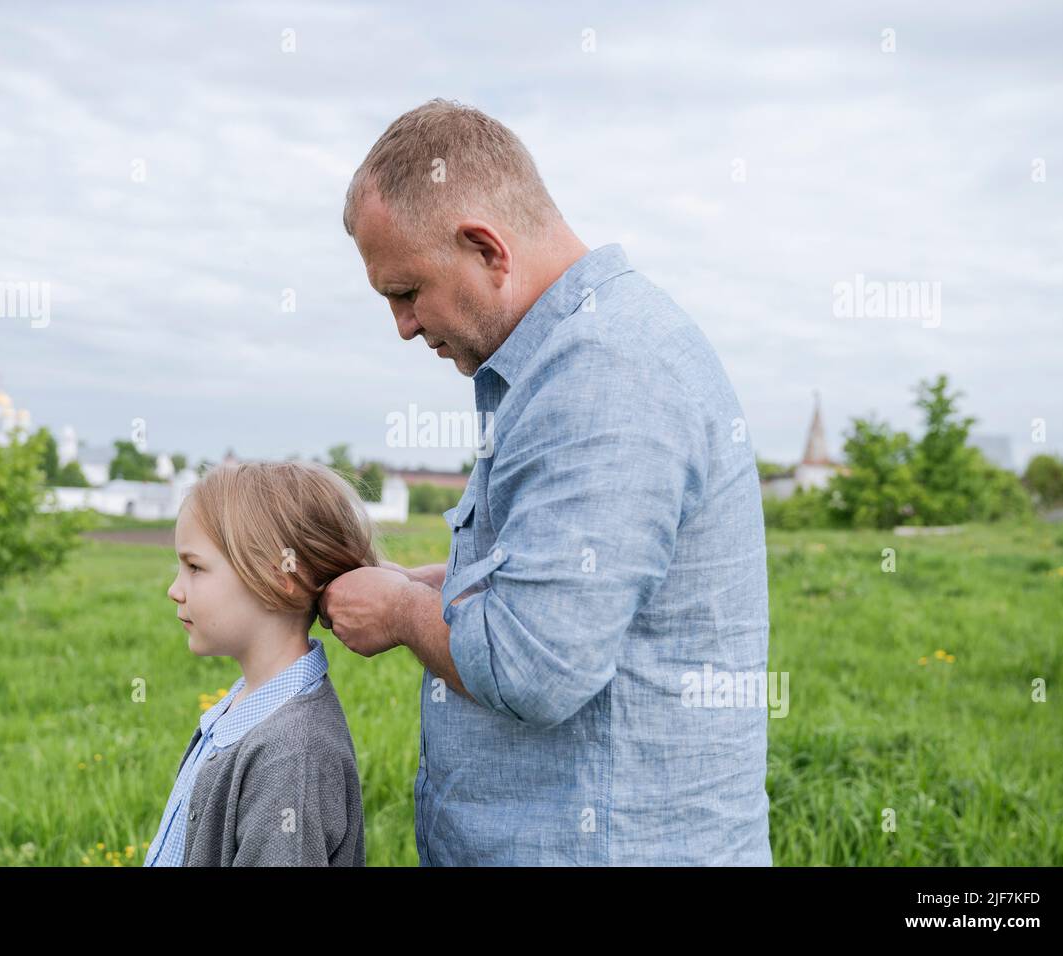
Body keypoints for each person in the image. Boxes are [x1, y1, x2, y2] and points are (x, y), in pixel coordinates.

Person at [320, 98, 773, 865]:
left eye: (406, 293)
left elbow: (537, 667)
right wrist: (420, 579)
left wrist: (400, 610)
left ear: (485, 249)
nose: (401, 325)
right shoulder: (578, 355)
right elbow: (549, 585)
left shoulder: (604, 372)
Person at [147, 460, 372, 866]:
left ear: (280, 577)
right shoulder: (248, 705)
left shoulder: (290, 756)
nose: (174, 589)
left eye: (195, 567)